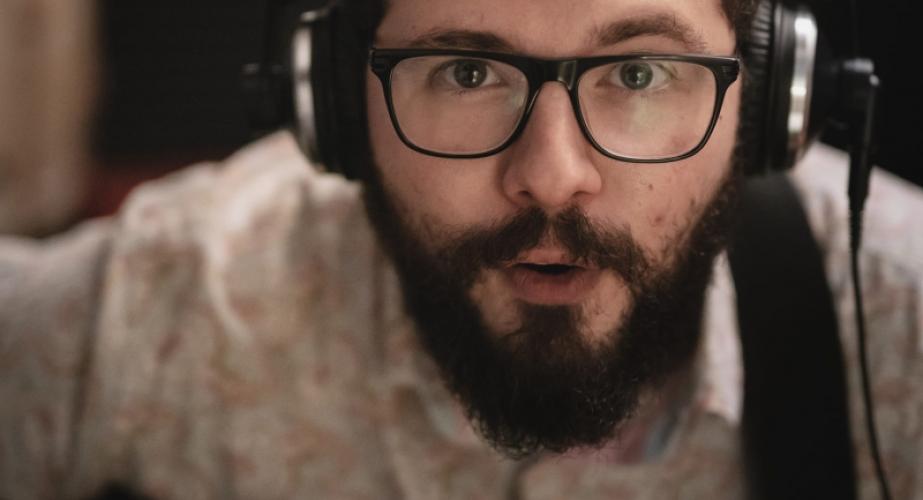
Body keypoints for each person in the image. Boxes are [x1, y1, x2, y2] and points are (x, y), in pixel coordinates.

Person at [1, 0, 921, 498]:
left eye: (639, 73)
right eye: (467, 72)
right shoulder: (172, 302)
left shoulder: (901, 325)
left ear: (764, 104)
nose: (551, 177)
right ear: (338, 110)